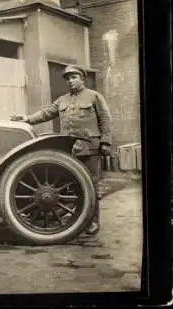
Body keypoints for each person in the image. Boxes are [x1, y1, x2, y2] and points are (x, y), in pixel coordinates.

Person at [10, 65, 112, 235]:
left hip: (89, 148)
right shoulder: (62, 100)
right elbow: (46, 113)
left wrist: (106, 142)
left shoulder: (94, 96)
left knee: (91, 185)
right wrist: (27, 118)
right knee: (70, 186)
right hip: (69, 151)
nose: (70, 81)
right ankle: (74, 218)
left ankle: (93, 221)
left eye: (74, 77)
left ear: (82, 79)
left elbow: (105, 119)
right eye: (68, 78)